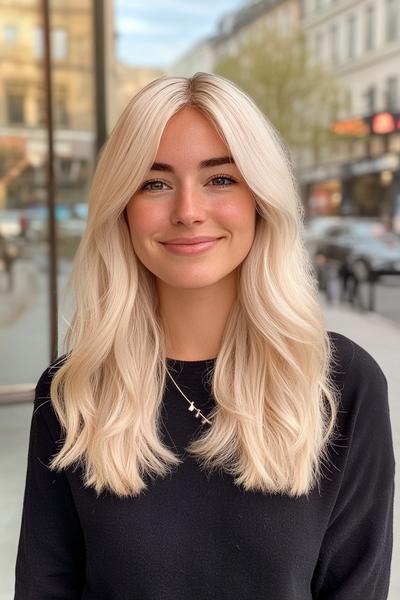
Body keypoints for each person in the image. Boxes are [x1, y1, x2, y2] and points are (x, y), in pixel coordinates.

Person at [14, 73, 395, 599]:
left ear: (261, 199)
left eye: (220, 179)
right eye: (155, 182)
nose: (188, 211)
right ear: (122, 209)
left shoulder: (338, 384)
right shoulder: (73, 390)